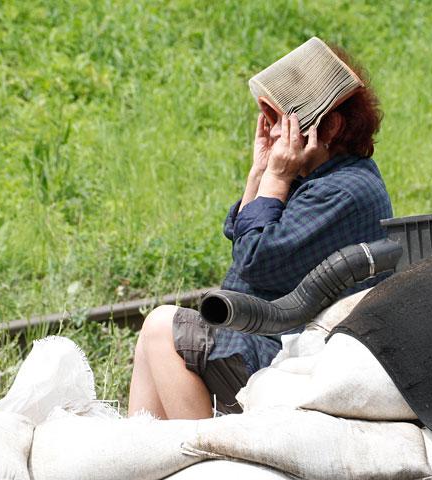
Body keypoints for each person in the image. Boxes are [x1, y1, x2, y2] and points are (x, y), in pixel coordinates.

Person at [128, 46, 392, 420]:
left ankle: (204, 456)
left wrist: (276, 177)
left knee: (160, 328)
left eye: (280, 120)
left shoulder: (340, 191)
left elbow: (254, 261)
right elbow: (242, 241)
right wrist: (260, 172)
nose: (270, 129)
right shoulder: (325, 177)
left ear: (330, 128)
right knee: (153, 339)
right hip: (274, 332)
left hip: (294, 355)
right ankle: (147, 460)